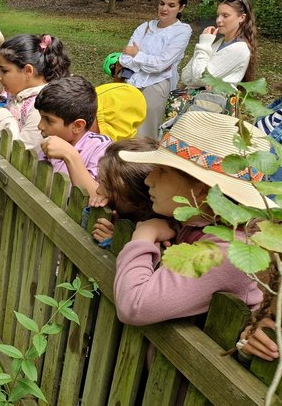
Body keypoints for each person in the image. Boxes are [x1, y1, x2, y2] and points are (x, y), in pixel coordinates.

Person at [114, 111, 272, 326]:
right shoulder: (197, 225)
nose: (149, 180)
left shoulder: (225, 251)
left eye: (162, 171)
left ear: (201, 192)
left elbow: (134, 306)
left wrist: (143, 235)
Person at [118, 0, 192, 138]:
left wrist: (137, 55)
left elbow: (161, 65)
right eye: (162, 3)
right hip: (132, 80)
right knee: (123, 125)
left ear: (181, 8)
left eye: (171, 5)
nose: (164, 9)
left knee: (145, 131)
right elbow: (124, 58)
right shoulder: (145, 27)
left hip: (157, 84)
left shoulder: (182, 31)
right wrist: (144, 60)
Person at [0, 33, 71, 153]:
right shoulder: (19, 94)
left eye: (4, 70)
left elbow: (22, 152)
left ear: (28, 71)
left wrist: (0, 114)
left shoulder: (39, 108)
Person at [35, 76, 113, 198]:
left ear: (77, 125)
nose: (40, 126)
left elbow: (94, 197)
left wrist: (69, 154)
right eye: (41, 117)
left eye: (48, 120)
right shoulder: (48, 146)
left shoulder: (101, 147)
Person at [88, 138, 158, 246]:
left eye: (107, 187)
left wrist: (117, 242)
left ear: (140, 204)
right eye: (100, 181)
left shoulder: (161, 234)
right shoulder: (120, 212)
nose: (98, 190)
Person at [180, 0, 257, 90]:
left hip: (210, 103)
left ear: (242, 17)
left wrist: (204, 44)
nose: (218, 20)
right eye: (218, 15)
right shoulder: (218, 43)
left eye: (225, 15)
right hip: (195, 102)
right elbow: (185, 76)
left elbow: (198, 78)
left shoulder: (240, 48)